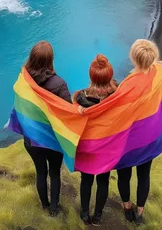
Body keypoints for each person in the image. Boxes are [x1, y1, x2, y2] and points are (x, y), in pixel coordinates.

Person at [117, 39, 162, 225]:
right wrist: (150, 62)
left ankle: (127, 207)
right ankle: (140, 211)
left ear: (132, 58)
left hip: (131, 141)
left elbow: (115, 111)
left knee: (124, 174)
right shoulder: (160, 71)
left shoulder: (128, 85)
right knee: (144, 174)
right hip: (151, 137)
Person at [23, 41, 72, 216]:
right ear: (50, 60)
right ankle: (54, 208)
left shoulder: (24, 80)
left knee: (41, 172)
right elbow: (69, 113)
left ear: (32, 58)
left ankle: (44, 205)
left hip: (32, 137)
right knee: (54, 172)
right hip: (52, 139)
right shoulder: (59, 83)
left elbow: (21, 106)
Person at [74, 54, 118, 226]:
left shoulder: (80, 99)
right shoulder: (118, 97)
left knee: (86, 180)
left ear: (91, 76)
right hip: (107, 147)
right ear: (109, 75)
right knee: (103, 181)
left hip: (88, 147)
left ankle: (85, 215)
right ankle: (98, 216)